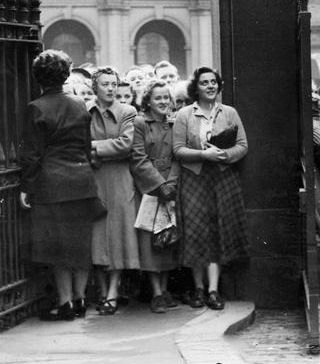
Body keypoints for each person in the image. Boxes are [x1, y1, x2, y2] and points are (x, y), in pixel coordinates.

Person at [19, 50, 101, 321]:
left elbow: (32, 155)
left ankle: (65, 303)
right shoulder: (79, 104)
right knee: (79, 245)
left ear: (38, 76)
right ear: (66, 74)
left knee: (58, 249)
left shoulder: (36, 107)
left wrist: (26, 188)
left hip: (52, 185)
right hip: (82, 182)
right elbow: (87, 147)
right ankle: (79, 300)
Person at [172, 67, 249, 310]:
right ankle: (198, 289)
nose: (210, 86)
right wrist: (203, 155)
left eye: (213, 82)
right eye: (204, 82)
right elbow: (178, 150)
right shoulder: (185, 114)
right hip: (195, 178)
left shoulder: (229, 113)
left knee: (217, 232)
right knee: (196, 232)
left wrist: (224, 155)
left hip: (222, 178)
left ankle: (214, 290)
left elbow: (243, 145)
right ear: (197, 87)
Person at [88, 67, 139, 315]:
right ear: (95, 86)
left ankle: (113, 291)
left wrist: (94, 146)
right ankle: (101, 288)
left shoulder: (127, 111)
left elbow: (126, 145)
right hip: (94, 178)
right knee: (97, 234)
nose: (110, 88)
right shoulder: (85, 111)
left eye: (113, 84)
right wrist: (103, 150)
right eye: (105, 84)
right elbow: (78, 146)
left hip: (120, 179)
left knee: (118, 234)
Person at [130, 80, 180, 313]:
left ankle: (166, 288)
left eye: (165, 98)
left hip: (172, 186)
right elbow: (138, 158)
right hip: (149, 188)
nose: (162, 102)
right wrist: (159, 185)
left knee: (169, 237)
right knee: (150, 241)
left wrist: (171, 184)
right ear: (148, 101)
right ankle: (156, 293)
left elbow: (179, 155)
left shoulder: (175, 122)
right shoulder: (140, 123)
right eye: (157, 98)